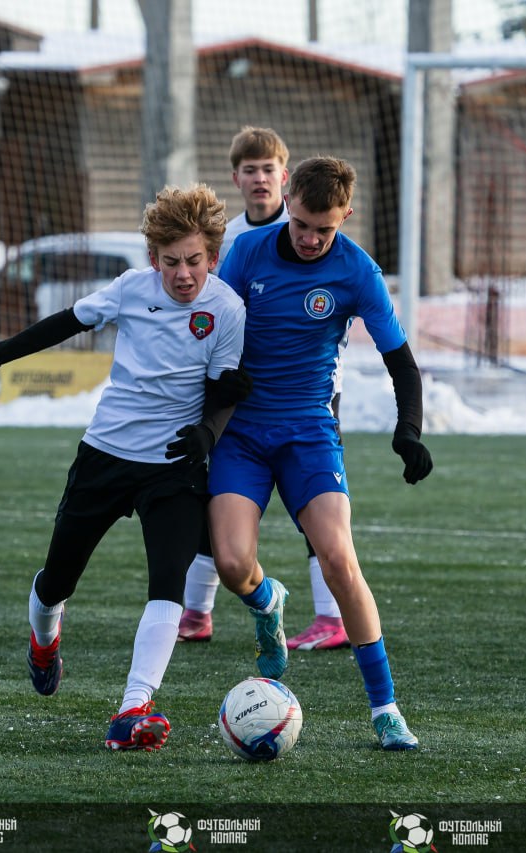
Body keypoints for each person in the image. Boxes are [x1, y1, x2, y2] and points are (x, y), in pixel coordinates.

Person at [0, 184, 247, 751]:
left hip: (173, 466)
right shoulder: (130, 290)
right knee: (56, 583)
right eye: (170, 262)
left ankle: (133, 709)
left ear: (213, 258)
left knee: (167, 585)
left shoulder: (227, 309)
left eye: (194, 261)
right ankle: (44, 640)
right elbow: (59, 325)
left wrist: (208, 431)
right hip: (105, 456)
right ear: (154, 259)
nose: (182, 274)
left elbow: (223, 389)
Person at [208, 156, 434, 750]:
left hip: (308, 430)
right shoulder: (249, 252)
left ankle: (385, 709)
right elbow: (212, 333)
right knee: (232, 565)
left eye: (323, 229)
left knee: (338, 559)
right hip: (243, 433)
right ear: (289, 205)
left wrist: (407, 430)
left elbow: (401, 365)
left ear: (346, 218)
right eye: (301, 223)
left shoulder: (358, 271)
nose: (309, 239)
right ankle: (266, 600)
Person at [178, 126, 351, 651]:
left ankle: (330, 615)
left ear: (286, 174)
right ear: (236, 178)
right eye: (249, 170)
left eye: (267, 168)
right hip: (242, 394)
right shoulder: (232, 239)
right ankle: (197, 610)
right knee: (218, 495)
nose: (259, 178)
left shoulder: (311, 229)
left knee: (314, 510)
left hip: (308, 395)